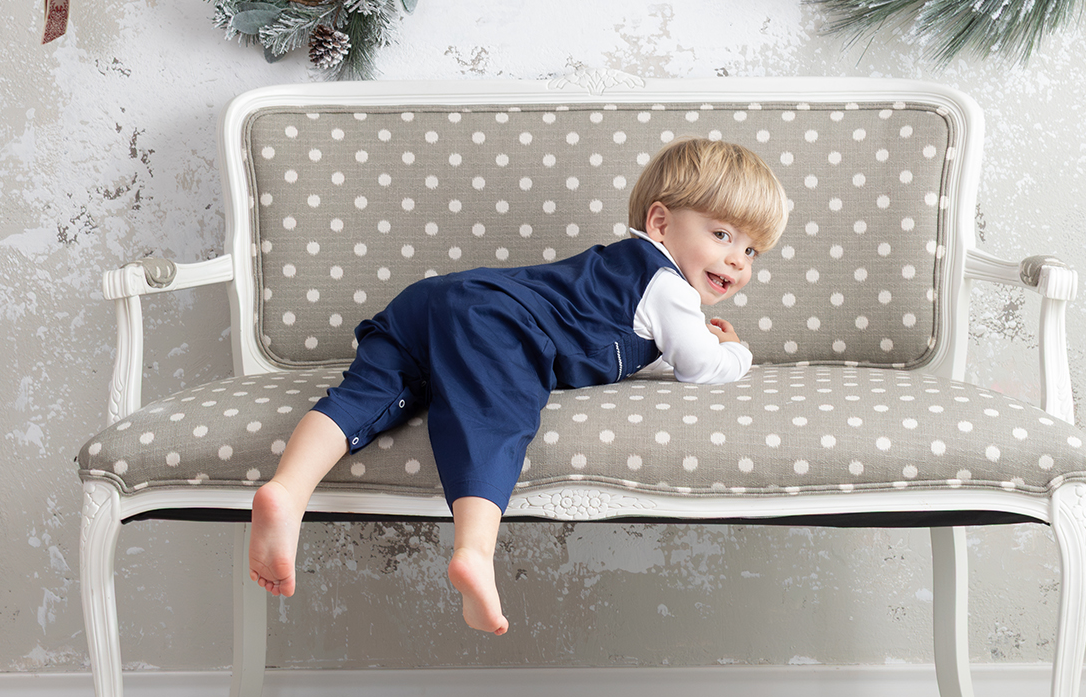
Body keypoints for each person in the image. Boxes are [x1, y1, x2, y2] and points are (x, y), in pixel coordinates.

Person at [247, 135, 788, 633]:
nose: (736, 260)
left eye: (752, 251)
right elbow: (696, 366)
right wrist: (734, 352)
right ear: (661, 224)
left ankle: (287, 492)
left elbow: (624, 344)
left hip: (432, 302)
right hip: (495, 320)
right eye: (721, 234)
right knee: (495, 414)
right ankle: (475, 553)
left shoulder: (623, 274)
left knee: (366, 396)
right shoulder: (669, 285)